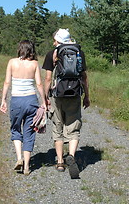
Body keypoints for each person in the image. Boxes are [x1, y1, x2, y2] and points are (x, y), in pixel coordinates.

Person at [42, 28, 90, 179]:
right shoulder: (78, 52)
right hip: (75, 94)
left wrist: (45, 97)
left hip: (57, 95)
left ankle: (60, 162)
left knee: (58, 126)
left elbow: (48, 79)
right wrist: (87, 96)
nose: (53, 42)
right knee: (73, 127)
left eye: (55, 39)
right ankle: (71, 155)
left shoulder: (52, 54)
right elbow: (84, 77)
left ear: (58, 40)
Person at [0, 40, 46, 176]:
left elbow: (7, 82)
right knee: (29, 131)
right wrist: (44, 101)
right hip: (31, 100)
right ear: (32, 50)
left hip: (16, 100)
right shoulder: (35, 64)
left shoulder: (12, 62)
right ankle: (26, 166)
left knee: (15, 129)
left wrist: (3, 100)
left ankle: (19, 158)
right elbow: (39, 84)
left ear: (20, 49)